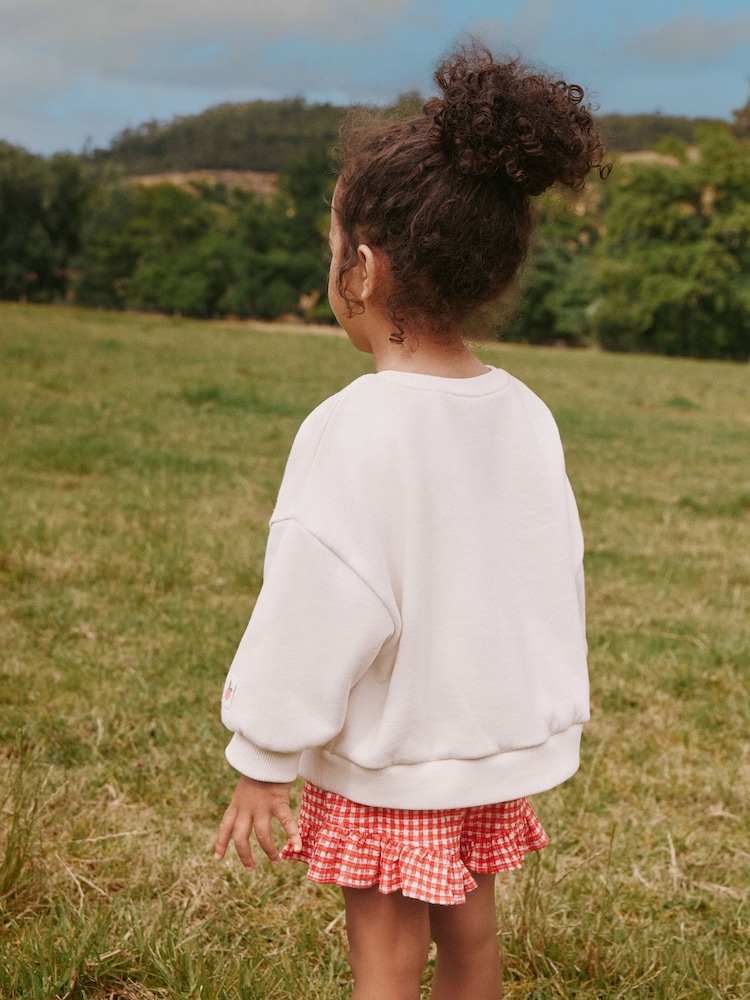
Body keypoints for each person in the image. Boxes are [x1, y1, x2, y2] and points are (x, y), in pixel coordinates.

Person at [214, 41, 604, 1000]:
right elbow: (552, 564)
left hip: (395, 759)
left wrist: (265, 754)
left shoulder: (356, 427)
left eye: (333, 251)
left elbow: (318, 597)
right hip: (481, 750)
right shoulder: (524, 408)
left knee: (384, 960)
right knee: (471, 938)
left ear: (366, 272)